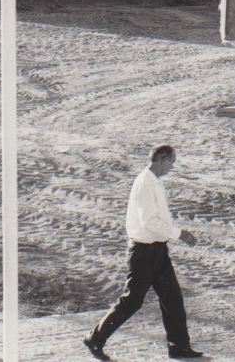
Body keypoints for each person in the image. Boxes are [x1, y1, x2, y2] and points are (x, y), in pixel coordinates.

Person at [83, 145, 204, 360]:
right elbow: (149, 221)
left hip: (157, 250)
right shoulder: (145, 183)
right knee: (132, 301)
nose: (172, 166)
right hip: (144, 252)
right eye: (172, 162)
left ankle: (179, 347)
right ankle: (95, 339)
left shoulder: (153, 182)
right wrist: (180, 234)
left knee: (172, 298)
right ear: (163, 159)